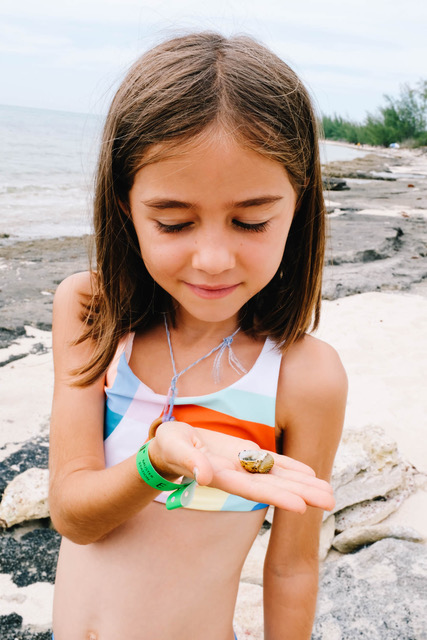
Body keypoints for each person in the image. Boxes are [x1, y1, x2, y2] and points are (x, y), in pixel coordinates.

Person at [48, 32, 347, 640]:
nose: (213, 258)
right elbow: (75, 516)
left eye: (251, 221)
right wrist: (157, 463)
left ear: (300, 206)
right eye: (175, 222)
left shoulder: (302, 376)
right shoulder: (91, 312)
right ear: (125, 205)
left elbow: (290, 568)